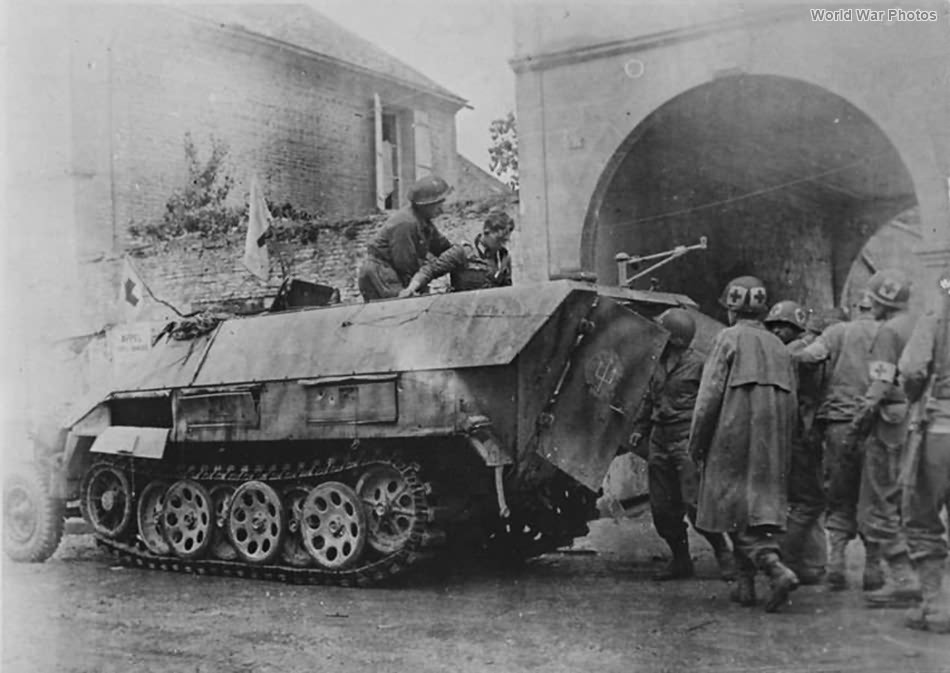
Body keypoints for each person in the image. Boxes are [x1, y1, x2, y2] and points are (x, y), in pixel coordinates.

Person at [688, 276, 800, 612]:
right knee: (754, 510)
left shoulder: (728, 338)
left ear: (732, 309)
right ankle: (745, 584)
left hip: (732, 435)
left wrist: (697, 443)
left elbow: (709, 395)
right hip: (773, 442)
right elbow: (793, 402)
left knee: (729, 504)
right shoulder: (780, 346)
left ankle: (773, 568)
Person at [626, 308, 735, 582]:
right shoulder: (655, 363)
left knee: (696, 505)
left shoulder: (700, 364)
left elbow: (713, 401)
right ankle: (681, 560)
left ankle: (723, 553)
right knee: (662, 508)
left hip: (687, 439)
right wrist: (640, 429)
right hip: (659, 440)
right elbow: (649, 399)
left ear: (674, 338)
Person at [794, 293, 883, 591]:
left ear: (857, 308)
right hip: (880, 426)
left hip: (840, 426)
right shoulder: (890, 333)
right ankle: (872, 568)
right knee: (875, 495)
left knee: (839, 492)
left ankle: (837, 565)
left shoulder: (838, 331)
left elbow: (808, 357)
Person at [853, 269, 921, 608]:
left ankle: (903, 578)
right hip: (920, 421)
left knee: (880, 499)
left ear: (882, 302)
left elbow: (879, 384)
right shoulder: (920, 324)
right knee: (908, 500)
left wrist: (859, 420)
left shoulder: (888, 332)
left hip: (889, 424)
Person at [897, 268, 950, 633]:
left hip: (940, 429)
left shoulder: (936, 317)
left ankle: (937, 607)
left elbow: (913, 369)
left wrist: (913, 397)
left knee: (922, 516)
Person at [765, 300, 827, 585]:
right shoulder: (802, 350)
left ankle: (799, 561)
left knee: (804, 501)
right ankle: (805, 563)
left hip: (799, 433)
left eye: (784, 326)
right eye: (774, 325)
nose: (777, 330)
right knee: (808, 500)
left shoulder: (792, 352)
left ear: (797, 328)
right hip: (800, 433)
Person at [357, 175, 453, 301]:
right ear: (424, 205)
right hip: (381, 271)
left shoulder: (425, 222)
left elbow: (443, 247)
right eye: (437, 204)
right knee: (402, 307)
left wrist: (461, 252)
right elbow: (404, 263)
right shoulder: (406, 223)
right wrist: (419, 282)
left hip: (394, 270)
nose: (441, 209)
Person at [399, 209, 514, 296]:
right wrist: (411, 288)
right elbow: (431, 270)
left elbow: (506, 292)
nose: (502, 245)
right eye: (499, 240)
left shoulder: (503, 258)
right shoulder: (463, 252)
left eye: (505, 240)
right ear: (486, 232)